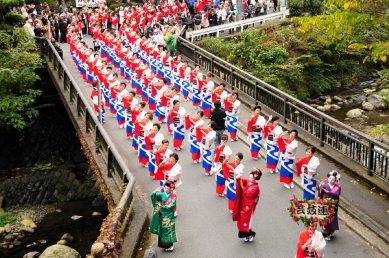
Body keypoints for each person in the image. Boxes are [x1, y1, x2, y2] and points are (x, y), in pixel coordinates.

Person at [232, 168, 262, 242]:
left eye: (251, 178)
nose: (249, 179)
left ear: (255, 178)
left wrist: (242, 187)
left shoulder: (256, 187)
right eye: (249, 177)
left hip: (249, 207)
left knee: (247, 221)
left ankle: (249, 235)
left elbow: (248, 195)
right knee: (242, 219)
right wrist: (238, 178)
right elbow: (242, 181)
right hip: (245, 205)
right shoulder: (249, 182)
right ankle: (247, 234)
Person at [150, 181, 177, 252]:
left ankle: (170, 246)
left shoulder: (173, 196)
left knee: (168, 230)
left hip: (169, 216)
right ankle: (164, 245)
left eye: (168, 188)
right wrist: (155, 191)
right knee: (163, 230)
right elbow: (153, 196)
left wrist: (161, 207)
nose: (166, 189)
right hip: (162, 216)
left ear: (171, 189)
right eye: (165, 188)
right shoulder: (162, 195)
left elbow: (172, 206)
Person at [318, 171, 341, 241]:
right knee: (325, 220)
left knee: (332, 219)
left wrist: (329, 193)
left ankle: (331, 232)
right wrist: (320, 188)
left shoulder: (338, 187)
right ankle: (326, 234)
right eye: (330, 178)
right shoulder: (325, 186)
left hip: (333, 206)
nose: (331, 180)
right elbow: (320, 194)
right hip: (325, 205)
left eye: (333, 179)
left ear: (335, 180)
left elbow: (337, 194)